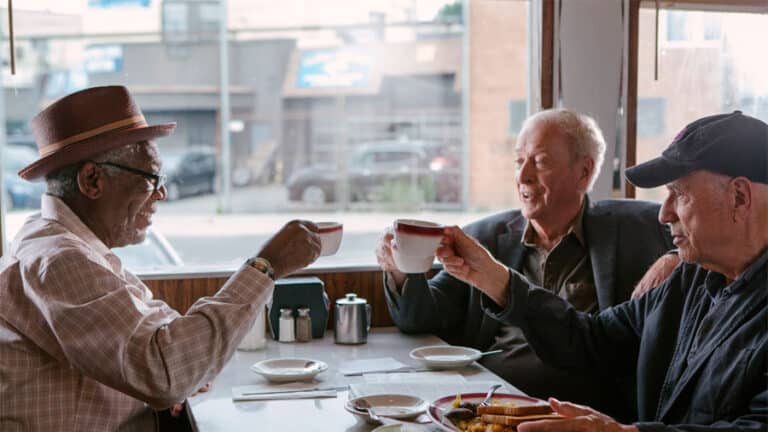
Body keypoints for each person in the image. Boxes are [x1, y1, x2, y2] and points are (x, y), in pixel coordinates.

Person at [0, 86, 322, 431]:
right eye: (151, 178)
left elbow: (157, 333)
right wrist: (266, 266)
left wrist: (183, 371)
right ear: (92, 180)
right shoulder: (59, 260)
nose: (162, 194)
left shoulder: (63, 241)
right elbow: (165, 371)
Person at [436, 111, 767, 431]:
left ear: (739, 196)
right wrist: (496, 279)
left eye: (678, 194)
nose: (663, 215)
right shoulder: (689, 278)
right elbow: (592, 340)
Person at [375, 108, 676, 416]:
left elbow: (704, 237)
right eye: (519, 161)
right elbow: (420, 318)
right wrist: (401, 269)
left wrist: (675, 257)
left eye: (540, 161)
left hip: (585, 412)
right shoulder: (486, 238)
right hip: (493, 403)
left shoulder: (634, 228)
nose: (522, 176)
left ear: (583, 172)